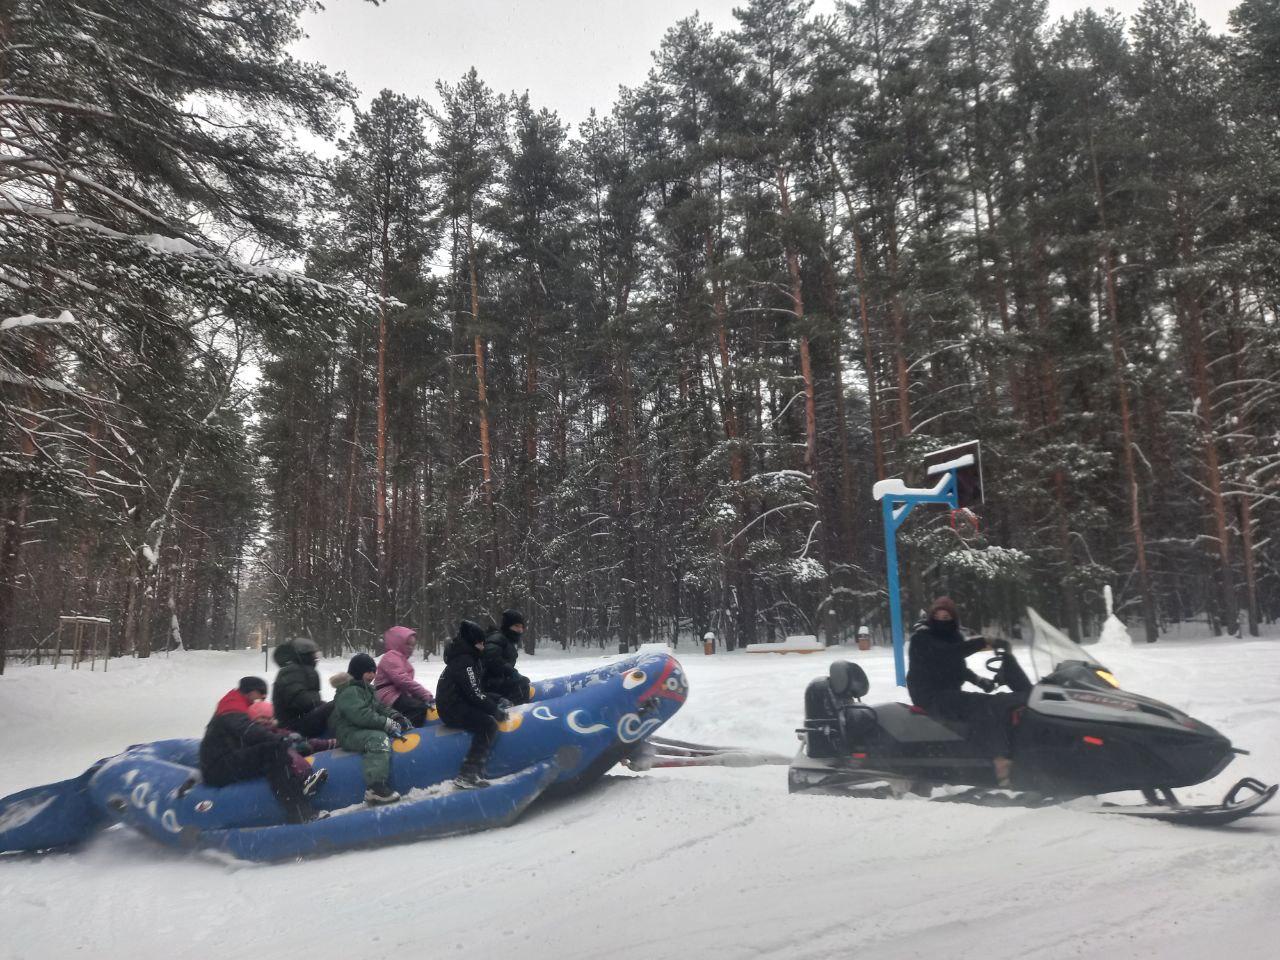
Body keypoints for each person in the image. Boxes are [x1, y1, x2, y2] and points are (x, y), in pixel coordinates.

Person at [906, 597, 1028, 786]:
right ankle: (998, 764)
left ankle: (1005, 756)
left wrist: (980, 681)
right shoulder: (922, 639)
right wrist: (984, 642)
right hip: (929, 696)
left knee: (996, 704)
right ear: (931, 618)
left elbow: (957, 667)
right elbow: (947, 653)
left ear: (953, 619)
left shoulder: (953, 638)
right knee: (985, 707)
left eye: (946, 617)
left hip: (948, 694)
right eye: (937, 616)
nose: (941, 620)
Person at [198, 676, 321, 824]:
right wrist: (279, 740)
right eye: (261, 692)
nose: (263, 696)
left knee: (274, 748)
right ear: (250, 691)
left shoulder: (238, 703)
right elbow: (248, 730)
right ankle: (300, 813)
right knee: (274, 753)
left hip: (225, 759)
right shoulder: (232, 705)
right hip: (218, 766)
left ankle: (297, 787)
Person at [331, 653, 411, 805]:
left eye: (374, 671)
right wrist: (386, 723)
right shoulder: (349, 692)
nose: (372, 675)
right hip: (349, 733)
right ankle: (375, 788)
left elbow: (380, 708)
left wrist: (396, 717)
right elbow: (362, 715)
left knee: (385, 733)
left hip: (361, 729)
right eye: (368, 671)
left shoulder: (368, 690)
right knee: (378, 738)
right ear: (357, 672)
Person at [436, 620, 508, 789]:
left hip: (455, 703)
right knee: (488, 724)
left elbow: (475, 690)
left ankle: (470, 771)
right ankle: (468, 773)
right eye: (481, 643)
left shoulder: (466, 658)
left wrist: (496, 699)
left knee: (487, 715)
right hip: (452, 708)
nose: (483, 647)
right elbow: (474, 693)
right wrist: (494, 710)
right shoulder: (465, 661)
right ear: (474, 643)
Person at [247, 700, 336, 783]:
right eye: (262, 717)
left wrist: (300, 742)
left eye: (269, 718)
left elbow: (298, 740)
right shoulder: (256, 736)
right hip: (279, 758)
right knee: (288, 755)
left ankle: (331, 744)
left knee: (305, 742)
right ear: (254, 720)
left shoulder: (278, 731)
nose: (267, 721)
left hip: (290, 746)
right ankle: (304, 778)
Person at [271, 638, 333, 737]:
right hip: (292, 724)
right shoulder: (290, 672)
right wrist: (324, 706)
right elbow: (300, 700)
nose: (316, 658)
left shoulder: (304, 671)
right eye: (313, 655)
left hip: (302, 720)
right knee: (334, 707)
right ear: (305, 655)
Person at [374, 626, 435, 726]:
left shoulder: (402, 660)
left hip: (397, 694)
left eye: (413, 645)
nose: (411, 648)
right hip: (388, 696)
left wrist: (422, 698)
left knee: (422, 705)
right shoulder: (391, 656)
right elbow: (403, 680)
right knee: (418, 709)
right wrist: (425, 694)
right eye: (407, 644)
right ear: (398, 642)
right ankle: (405, 729)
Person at [482, 609, 532, 706]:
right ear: (507, 626)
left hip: (495, 680)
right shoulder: (497, 638)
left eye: (522, 627)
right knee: (520, 686)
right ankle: (520, 713)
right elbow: (491, 658)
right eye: (516, 626)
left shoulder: (506, 640)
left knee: (521, 683)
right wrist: (512, 673)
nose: (520, 630)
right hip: (487, 682)